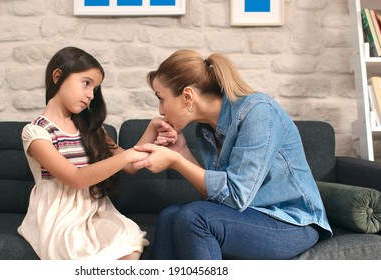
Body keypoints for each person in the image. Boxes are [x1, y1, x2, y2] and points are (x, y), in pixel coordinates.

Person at [133, 49, 333, 260]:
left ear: (187, 96)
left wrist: (176, 162)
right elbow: (218, 197)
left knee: (194, 217)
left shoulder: (258, 113)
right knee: (170, 216)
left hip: (292, 223)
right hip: (251, 215)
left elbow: (236, 196)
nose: (161, 111)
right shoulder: (206, 129)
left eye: (161, 99)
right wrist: (182, 153)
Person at [18, 46, 150, 260]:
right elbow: (76, 179)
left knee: (130, 238)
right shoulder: (36, 132)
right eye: (86, 83)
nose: (90, 95)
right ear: (58, 77)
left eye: (95, 89)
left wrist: (154, 128)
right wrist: (127, 156)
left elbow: (130, 165)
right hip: (59, 214)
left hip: (94, 209)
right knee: (79, 251)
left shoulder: (91, 128)